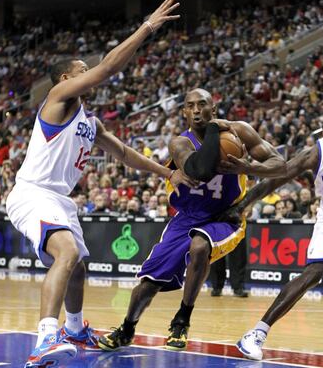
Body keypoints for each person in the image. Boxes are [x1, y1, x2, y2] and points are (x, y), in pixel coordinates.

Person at [5, 0, 194, 367]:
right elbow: (107, 68)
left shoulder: (90, 122)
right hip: (32, 192)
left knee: (79, 267)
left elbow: (124, 154)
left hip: (59, 198)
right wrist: (147, 27)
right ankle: (45, 337)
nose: (87, 72)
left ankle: (74, 329)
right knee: (68, 254)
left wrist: (168, 172)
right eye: (80, 69)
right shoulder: (57, 98)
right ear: (65, 79)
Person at [98, 88, 285, 352]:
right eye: (190, 106)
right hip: (187, 217)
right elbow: (201, 169)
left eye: (202, 104)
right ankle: (127, 328)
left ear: (214, 108)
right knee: (149, 284)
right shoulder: (179, 144)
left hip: (224, 216)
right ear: (184, 112)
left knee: (200, 246)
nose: (196, 110)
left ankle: (182, 319)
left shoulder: (239, 132)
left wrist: (248, 170)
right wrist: (212, 133)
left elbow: (281, 165)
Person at [218, 106, 323, 361]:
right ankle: (256, 333)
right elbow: (277, 178)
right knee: (313, 273)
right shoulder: (315, 153)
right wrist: (243, 205)